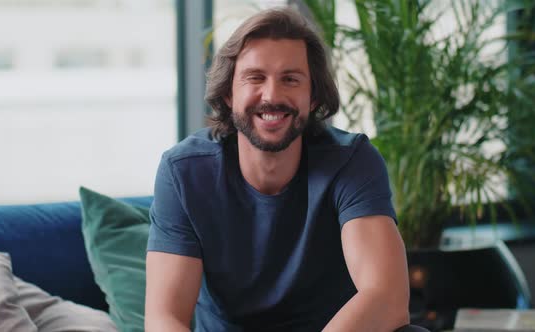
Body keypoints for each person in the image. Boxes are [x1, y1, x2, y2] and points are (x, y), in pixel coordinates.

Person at [145, 7, 413, 332]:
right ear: (229, 93)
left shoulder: (351, 161)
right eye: (255, 78)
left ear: (313, 96)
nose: (272, 95)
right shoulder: (184, 172)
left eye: (290, 79)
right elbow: (164, 318)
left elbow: (386, 297)